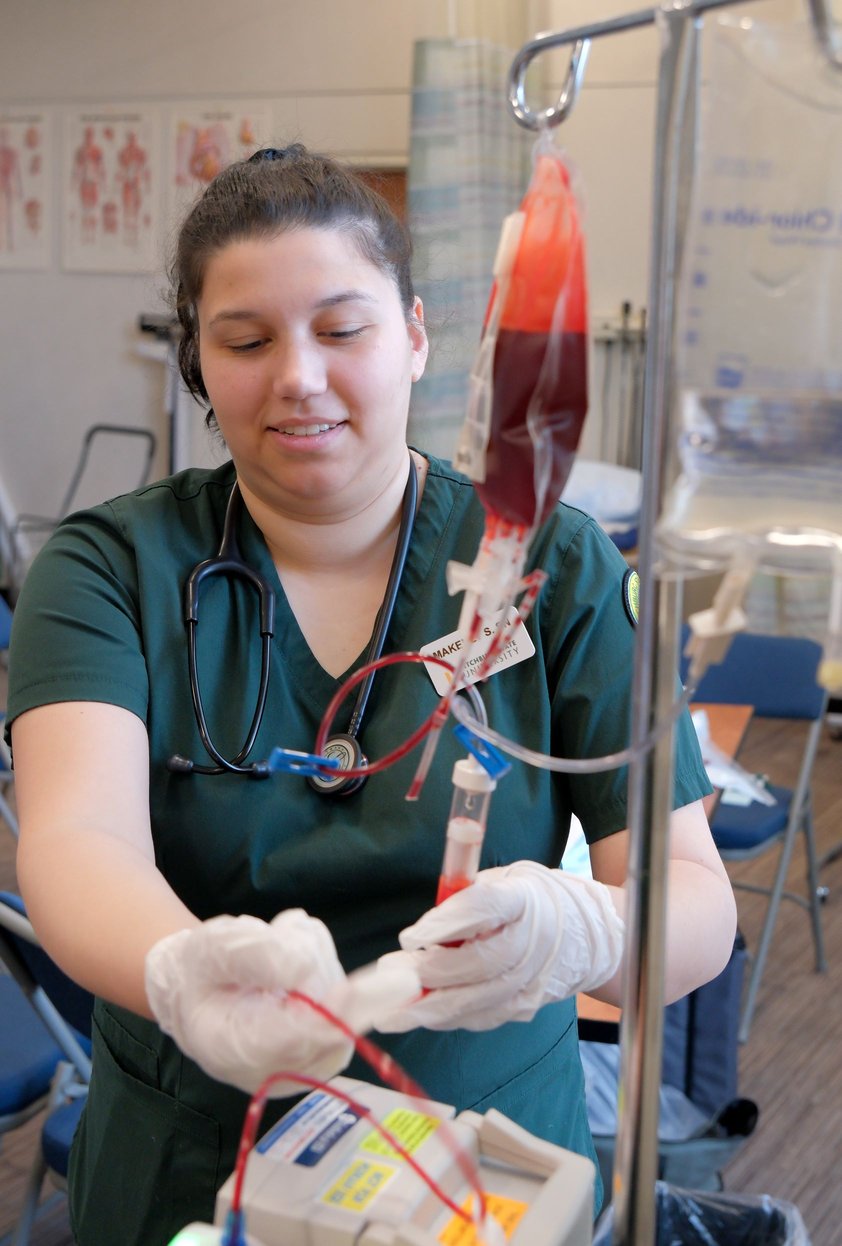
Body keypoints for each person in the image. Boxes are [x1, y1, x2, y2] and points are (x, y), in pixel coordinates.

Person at [6, 144, 736, 1246]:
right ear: (199, 362)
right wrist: (180, 972)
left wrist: (591, 932)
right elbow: (74, 843)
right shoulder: (109, 569)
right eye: (246, 341)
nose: (298, 376)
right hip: (198, 1159)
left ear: (415, 335)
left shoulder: (556, 568)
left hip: (486, 1166)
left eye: (341, 329)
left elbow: (696, 906)